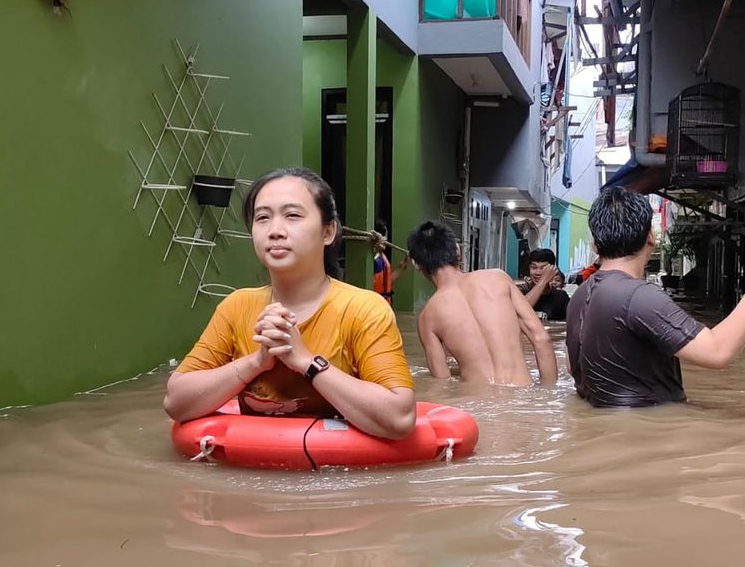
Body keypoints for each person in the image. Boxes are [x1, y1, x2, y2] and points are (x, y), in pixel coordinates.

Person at [163, 168, 416, 439]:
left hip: (334, 476)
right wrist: (257, 362)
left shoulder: (364, 309)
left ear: (328, 232)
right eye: (262, 218)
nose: (275, 231)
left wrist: (305, 361)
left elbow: (400, 418)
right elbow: (176, 402)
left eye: (292, 215)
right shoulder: (236, 307)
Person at [566, 186, 745, 407]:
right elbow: (718, 352)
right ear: (651, 236)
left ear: (595, 244)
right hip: (649, 434)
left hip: (612, 428)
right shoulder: (638, 296)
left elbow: (574, 369)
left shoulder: (579, 297)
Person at [406, 220, 558, 386]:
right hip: (522, 397)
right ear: (458, 254)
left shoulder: (427, 318)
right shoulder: (497, 278)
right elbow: (541, 339)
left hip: (477, 403)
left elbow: (442, 382)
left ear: (418, 266)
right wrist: (547, 394)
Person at [517, 248, 570, 321]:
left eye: (543, 268)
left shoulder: (561, 297)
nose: (538, 272)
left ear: (552, 269)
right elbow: (520, 311)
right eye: (534, 267)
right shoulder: (520, 291)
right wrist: (543, 280)